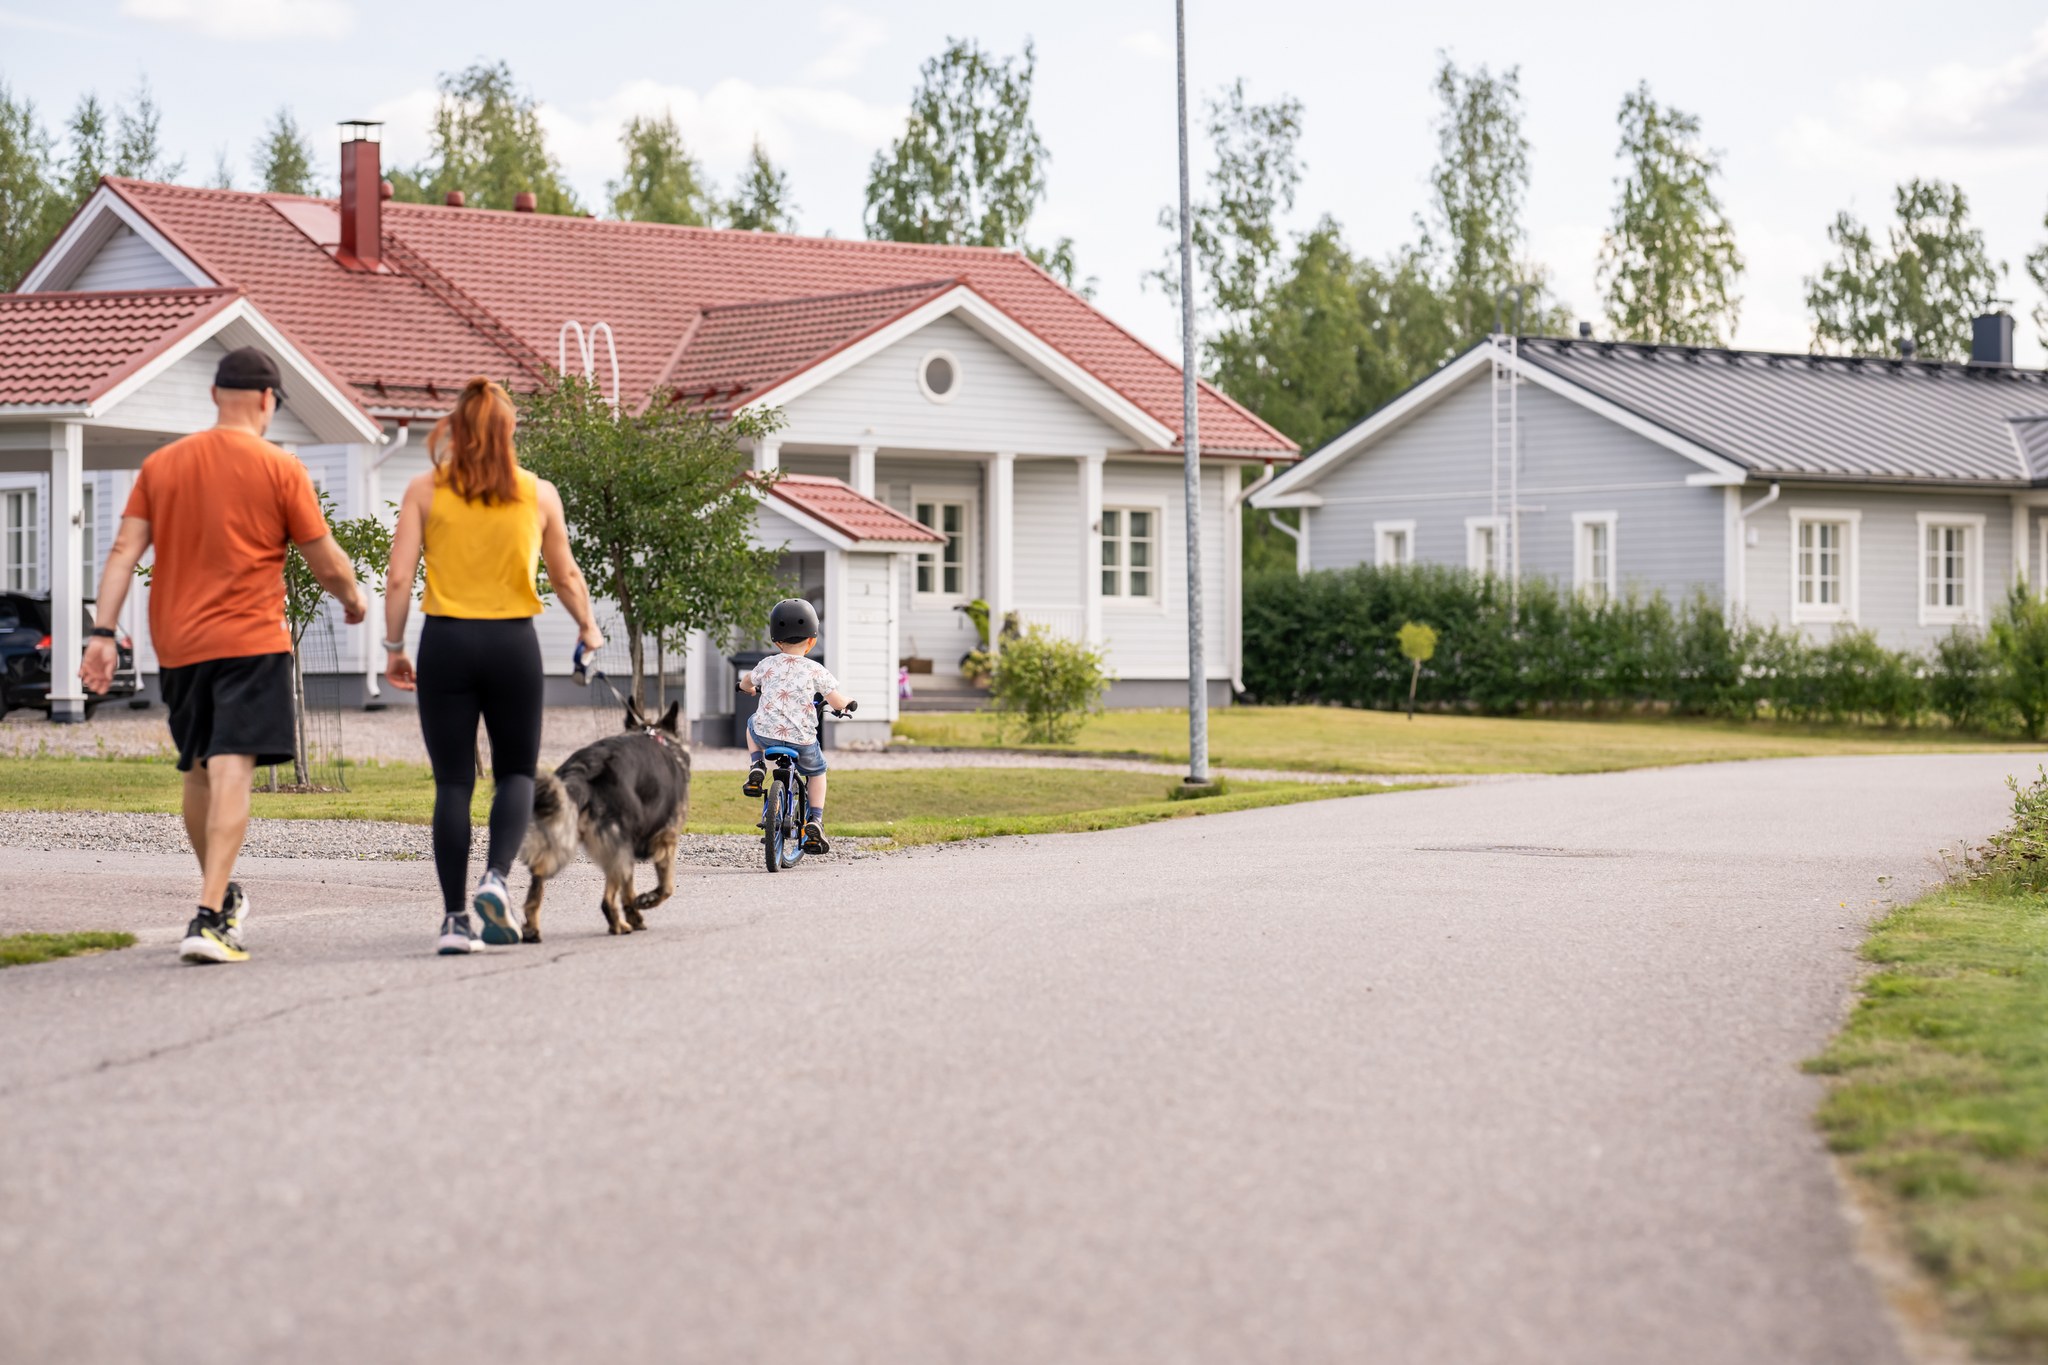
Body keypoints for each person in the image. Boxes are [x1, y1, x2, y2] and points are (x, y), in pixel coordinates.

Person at [81, 347, 367, 964]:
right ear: (268, 402)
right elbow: (324, 558)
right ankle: (210, 916)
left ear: (214, 395)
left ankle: (219, 892)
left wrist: (102, 633)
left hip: (179, 647)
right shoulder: (280, 468)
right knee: (233, 762)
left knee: (199, 769)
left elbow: (122, 553)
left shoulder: (162, 465)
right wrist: (353, 600)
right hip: (251, 640)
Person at [382, 377, 603, 955]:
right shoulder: (538, 493)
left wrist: (393, 647)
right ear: (509, 432)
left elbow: (400, 576)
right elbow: (565, 576)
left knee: (453, 782)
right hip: (512, 645)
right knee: (514, 774)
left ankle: (455, 921)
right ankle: (496, 881)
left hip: (446, 642)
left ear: (456, 428)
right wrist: (587, 625)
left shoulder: (424, 489)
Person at [738, 598, 852, 854]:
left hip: (767, 736)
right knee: (818, 772)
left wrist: (748, 688)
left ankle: (757, 765)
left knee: (751, 723)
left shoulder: (767, 664)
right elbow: (836, 700)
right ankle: (815, 820)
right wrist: (847, 704)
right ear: (812, 641)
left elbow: (746, 682)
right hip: (802, 742)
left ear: (776, 641)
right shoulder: (816, 670)